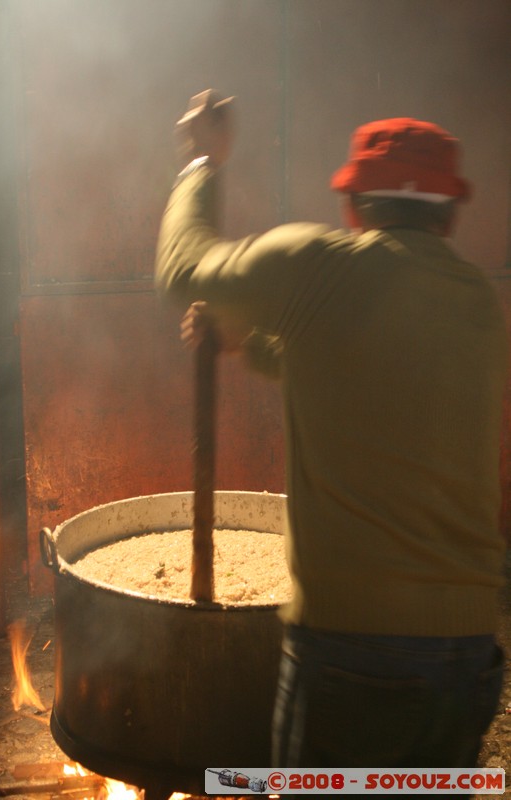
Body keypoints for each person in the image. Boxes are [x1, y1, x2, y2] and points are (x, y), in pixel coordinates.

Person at [155, 90, 507, 774]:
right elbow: (353, 368)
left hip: (352, 651)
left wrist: (201, 160)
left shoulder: (321, 264)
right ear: (448, 215)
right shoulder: (476, 302)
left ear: (352, 206)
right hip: (466, 652)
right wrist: (246, 343)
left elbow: (182, 270)